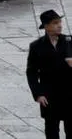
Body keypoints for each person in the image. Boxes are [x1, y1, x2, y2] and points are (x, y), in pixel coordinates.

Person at [26, 9, 72, 139]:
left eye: (60, 22)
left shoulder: (69, 41)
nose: (59, 25)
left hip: (69, 92)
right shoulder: (36, 46)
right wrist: (38, 94)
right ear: (46, 26)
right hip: (49, 94)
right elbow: (31, 72)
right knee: (51, 129)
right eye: (55, 23)